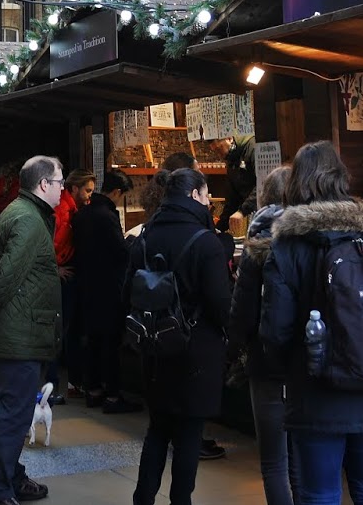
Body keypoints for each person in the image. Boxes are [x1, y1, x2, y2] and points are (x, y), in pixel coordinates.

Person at [262, 141, 363, 505]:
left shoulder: (287, 248)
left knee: (320, 494)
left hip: (316, 395)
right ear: (341, 178)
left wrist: (293, 367)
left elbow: (275, 331)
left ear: (296, 183)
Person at [126, 167, 231, 505]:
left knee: (158, 428)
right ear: (194, 195)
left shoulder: (144, 235)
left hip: (153, 346)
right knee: (188, 434)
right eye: (205, 195)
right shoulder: (206, 243)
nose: (209, 202)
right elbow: (221, 304)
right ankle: (180, 501)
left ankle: (143, 498)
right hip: (195, 350)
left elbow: (127, 290)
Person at [0, 156, 63, 505]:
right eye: (59, 183)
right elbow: (3, 277)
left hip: (20, 332)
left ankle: (11, 476)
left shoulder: (23, 213)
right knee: (13, 416)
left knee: (17, 412)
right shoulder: (27, 220)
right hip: (18, 336)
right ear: (43, 185)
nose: (62, 190)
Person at [228, 166, 299, 505]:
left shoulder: (258, 238)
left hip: (266, 358)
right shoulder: (312, 232)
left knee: (274, 461)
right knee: (302, 453)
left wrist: (239, 343)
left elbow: (242, 309)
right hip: (307, 357)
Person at [71, 168, 139, 413]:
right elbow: (121, 252)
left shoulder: (82, 215)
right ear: (117, 192)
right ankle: (112, 395)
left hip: (87, 286)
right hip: (109, 288)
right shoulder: (107, 216)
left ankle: (93, 390)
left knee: (92, 340)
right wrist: (132, 243)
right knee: (111, 342)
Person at [52, 168, 94, 403]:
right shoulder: (65, 211)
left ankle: (66, 382)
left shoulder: (72, 208)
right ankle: (61, 383)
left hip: (64, 271)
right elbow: (51, 242)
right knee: (65, 329)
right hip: (63, 274)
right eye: (87, 190)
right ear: (74, 188)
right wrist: (55, 267)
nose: (89, 195)